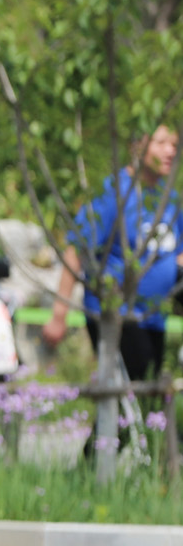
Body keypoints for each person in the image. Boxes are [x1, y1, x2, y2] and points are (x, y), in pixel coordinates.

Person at [41, 123, 181, 384]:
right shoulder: (114, 193)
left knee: (147, 397)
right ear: (137, 147)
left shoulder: (169, 198)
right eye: (161, 143)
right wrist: (59, 314)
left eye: (174, 144)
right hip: (116, 316)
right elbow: (77, 250)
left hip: (153, 317)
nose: (170, 151)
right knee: (128, 394)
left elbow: (178, 254)